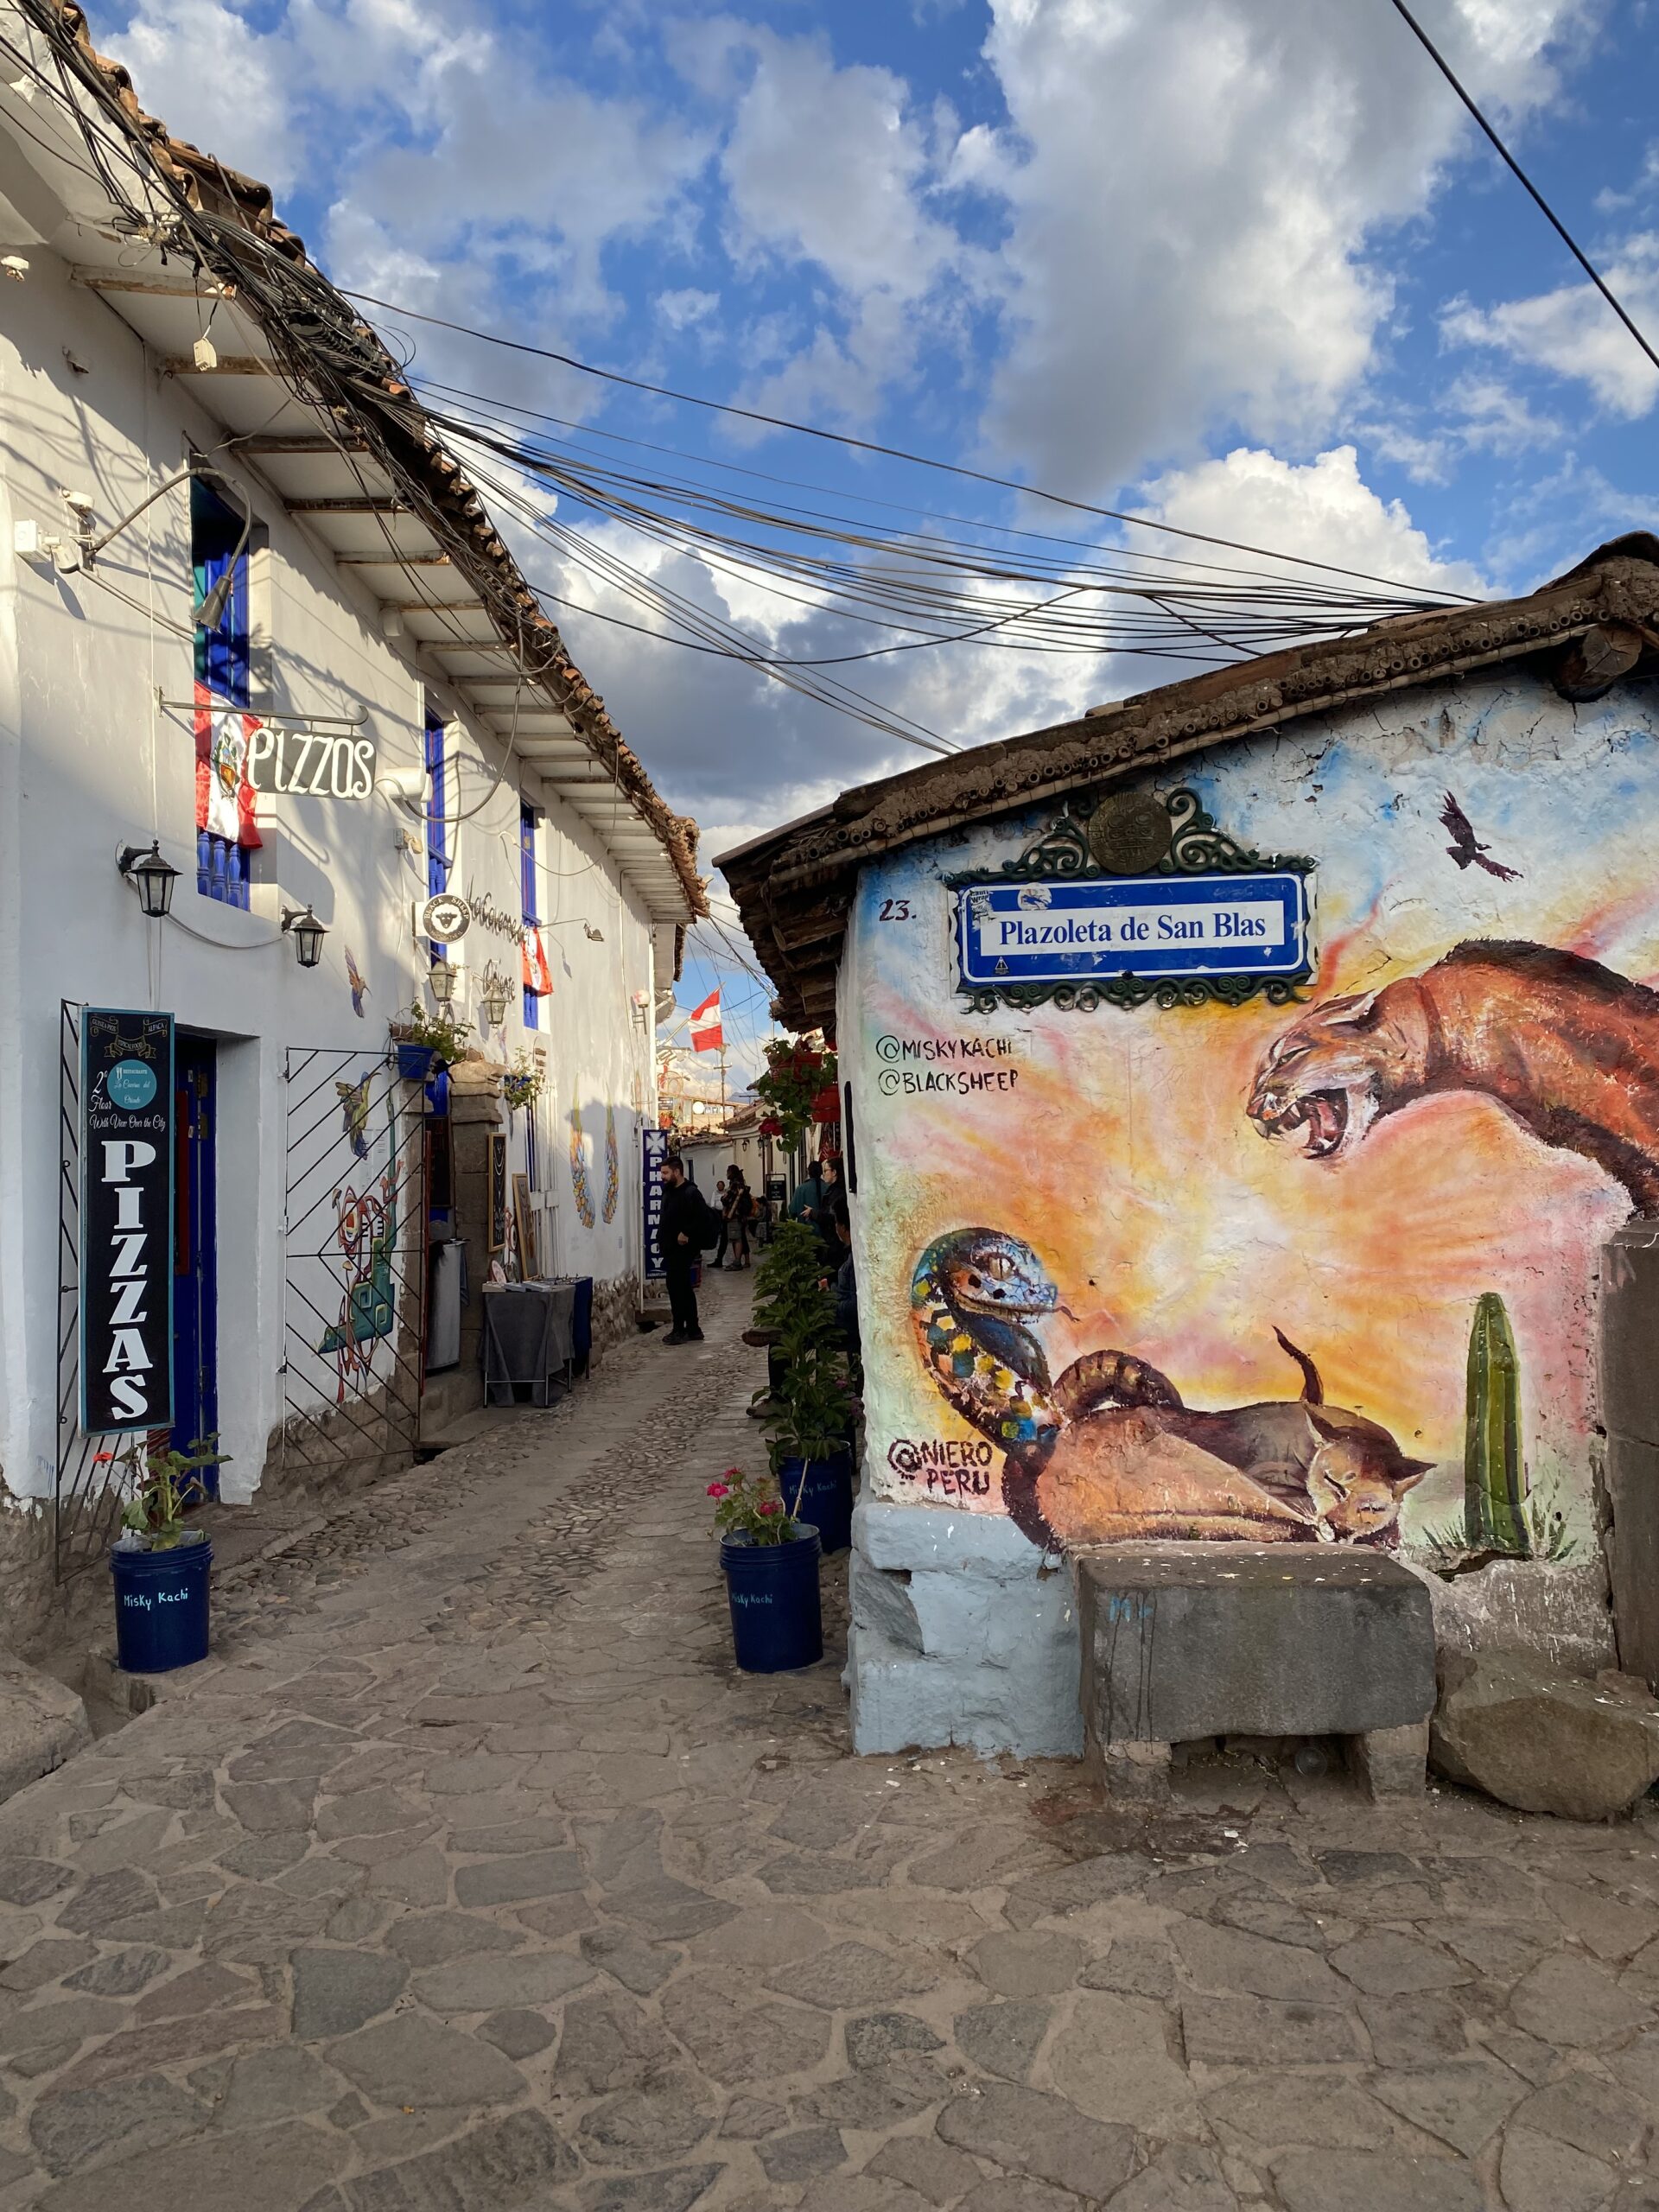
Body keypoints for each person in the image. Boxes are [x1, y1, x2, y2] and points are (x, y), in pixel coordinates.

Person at [658, 1154, 708, 1344]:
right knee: (682, 1289)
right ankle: (693, 1329)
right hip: (671, 1249)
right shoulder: (669, 1191)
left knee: (679, 1289)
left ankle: (680, 1329)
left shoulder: (691, 1193)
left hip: (683, 1250)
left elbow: (701, 1218)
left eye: (665, 1173)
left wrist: (686, 1232)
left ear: (677, 1172)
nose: (662, 1176)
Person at [725, 1167, 754, 1269]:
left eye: (728, 1172)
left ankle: (737, 1262)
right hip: (741, 1215)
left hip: (735, 1214)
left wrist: (724, 1198)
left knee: (736, 1238)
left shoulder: (735, 1185)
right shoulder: (741, 1184)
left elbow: (727, 1199)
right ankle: (744, 1260)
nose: (726, 1174)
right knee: (741, 1237)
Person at [788, 1157, 824, 1226]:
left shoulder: (800, 1189)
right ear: (822, 1172)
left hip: (806, 1232)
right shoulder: (828, 1188)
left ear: (808, 1172)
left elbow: (792, 1211)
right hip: (826, 1233)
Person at [711, 1170, 731, 1269]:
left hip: (727, 1216)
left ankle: (719, 1259)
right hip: (720, 1213)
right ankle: (719, 1259)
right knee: (724, 1238)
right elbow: (713, 1203)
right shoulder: (715, 1193)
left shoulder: (729, 1191)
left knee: (725, 1238)